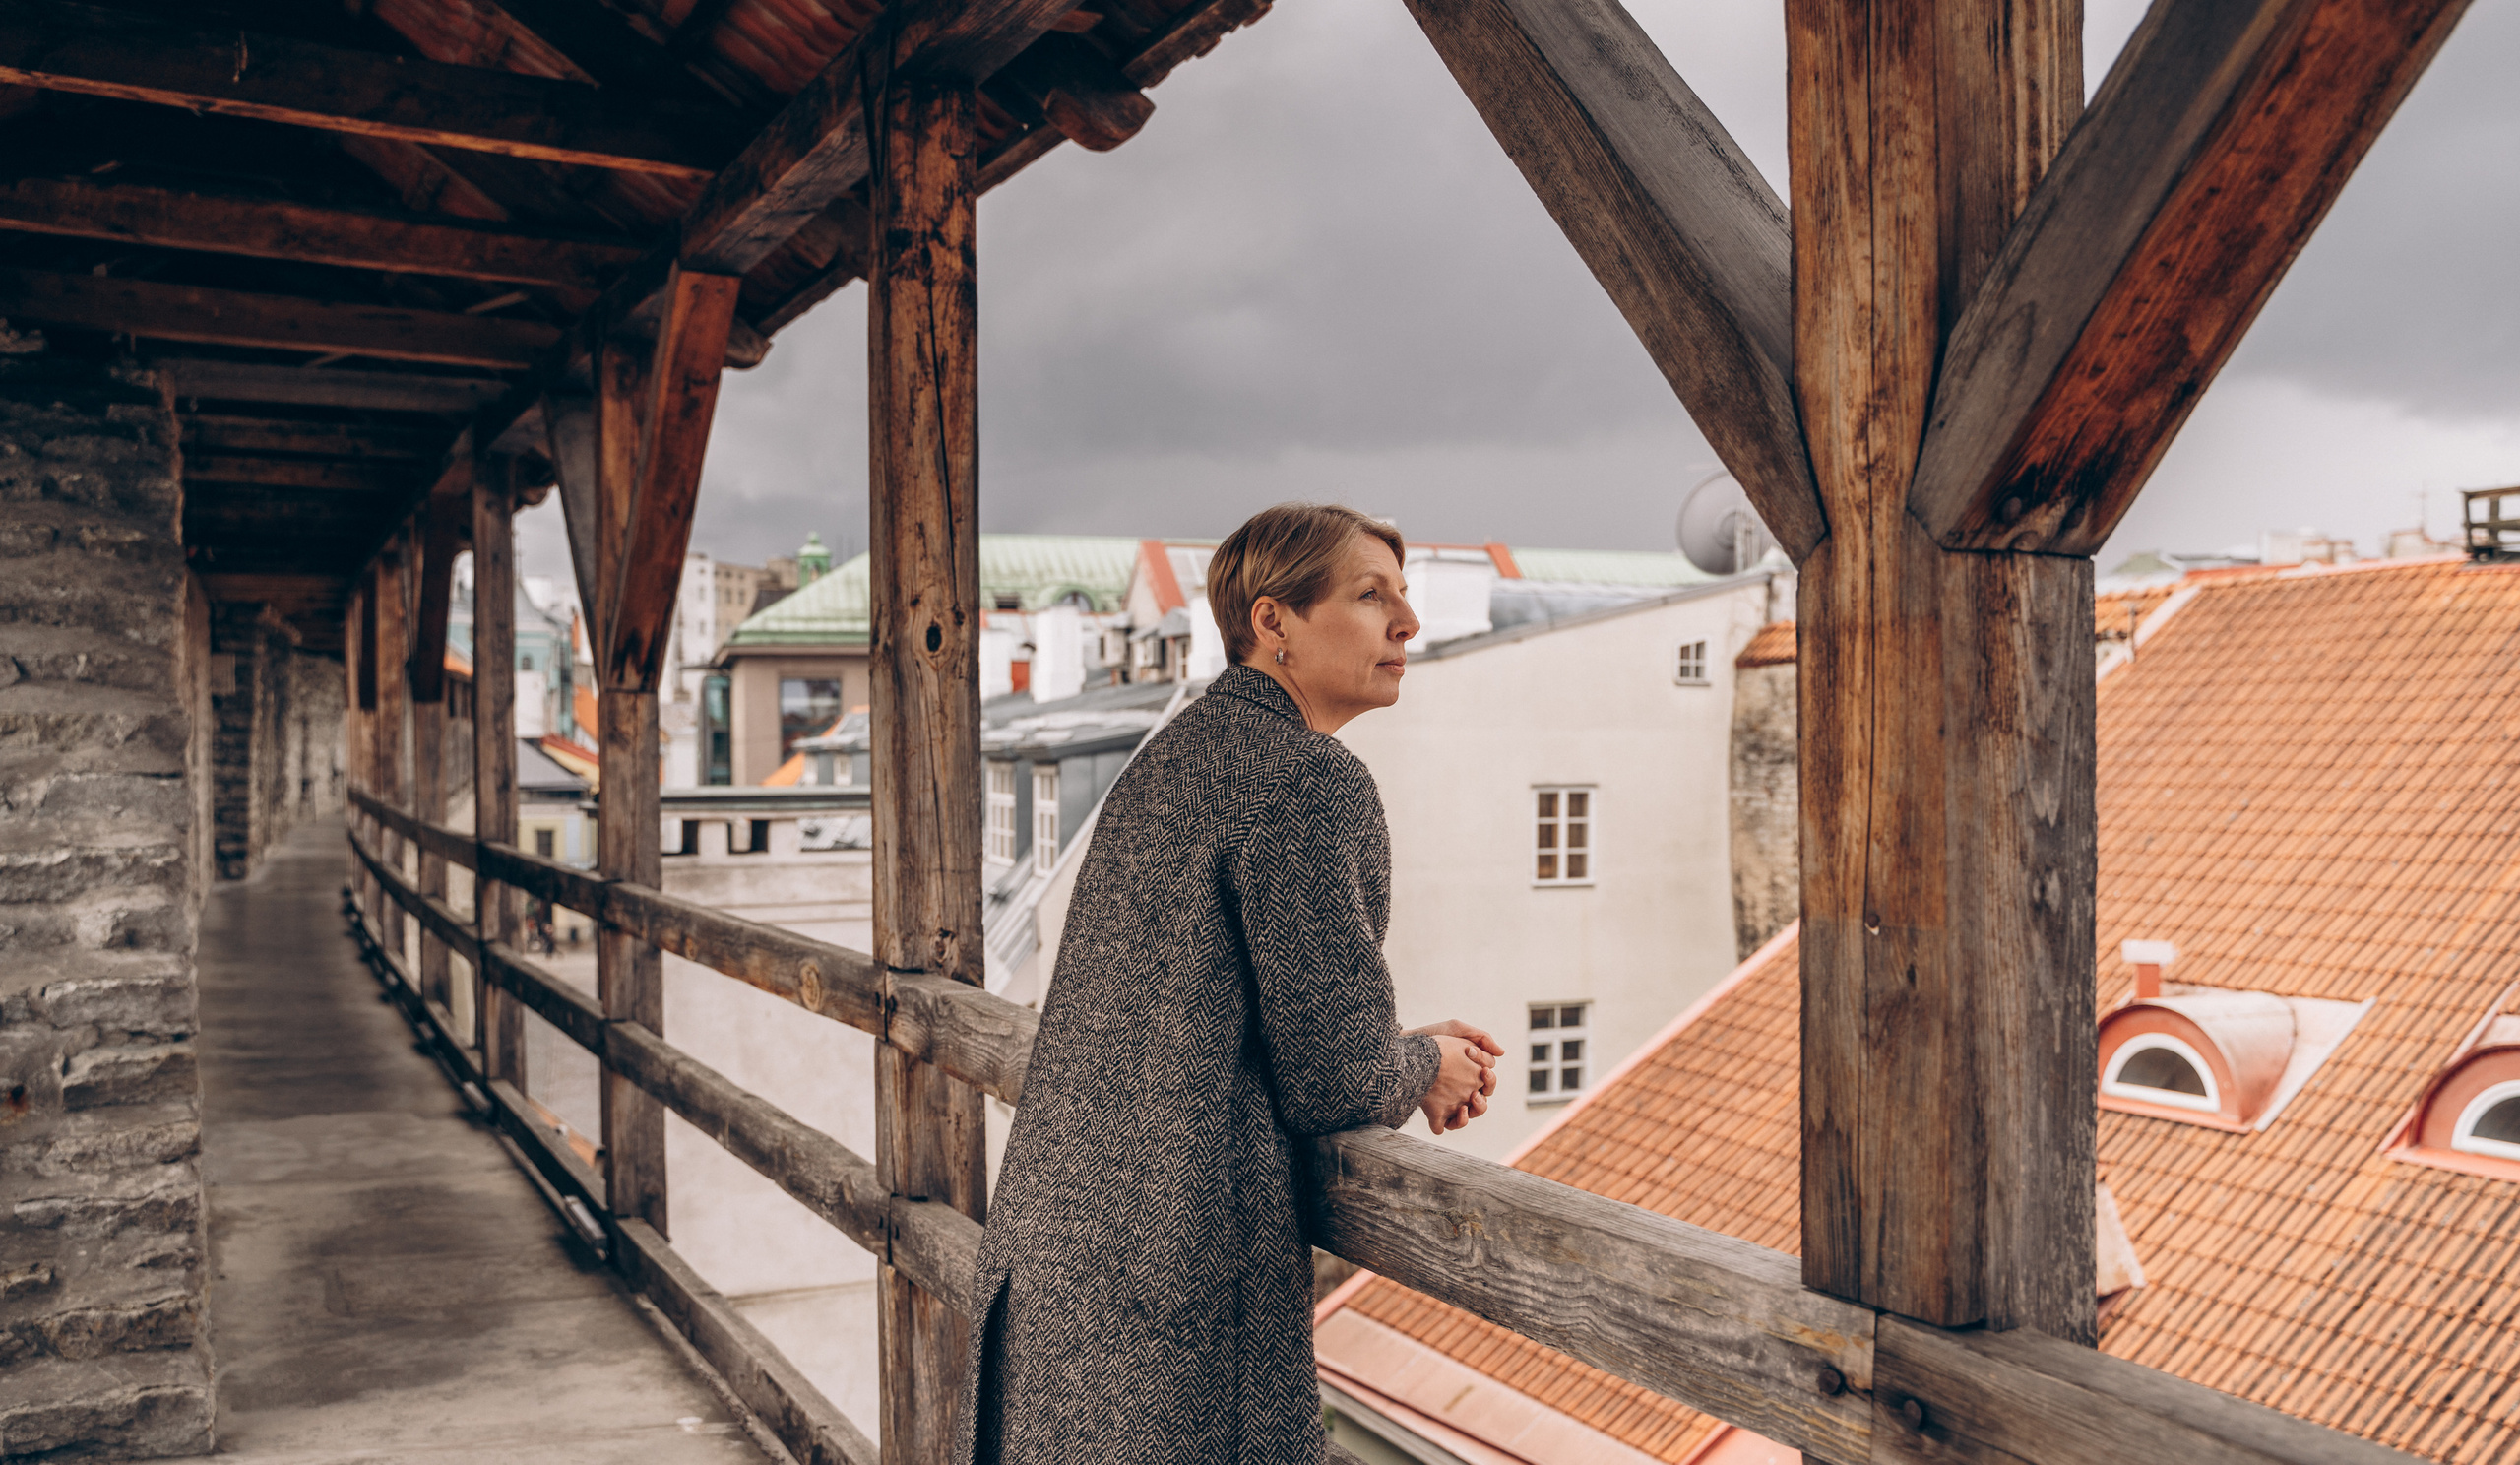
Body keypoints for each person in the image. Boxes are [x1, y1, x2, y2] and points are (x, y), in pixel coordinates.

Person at [957, 503, 1503, 1465]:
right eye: (1371, 596)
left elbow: (1221, 1010)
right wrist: (1426, 1066)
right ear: (1272, 622)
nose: (1406, 624)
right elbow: (1331, 1078)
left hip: (1057, 1278)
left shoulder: (1171, 754)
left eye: (1405, 597)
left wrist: (1406, 1052)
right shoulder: (1308, 777)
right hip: (1175, 1307)